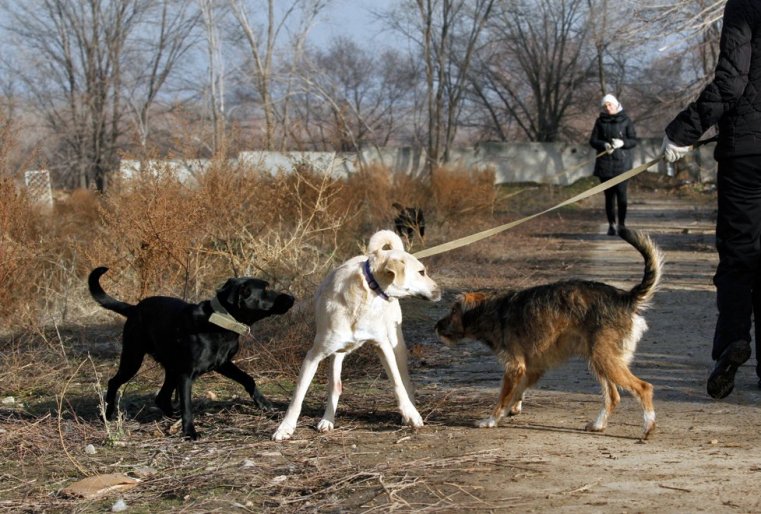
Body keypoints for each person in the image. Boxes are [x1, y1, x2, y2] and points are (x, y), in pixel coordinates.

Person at [662, 0, 761, 399]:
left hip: (746, 155)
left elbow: (732, 82)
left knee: (739, 256)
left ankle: (733, 343)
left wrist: (683, 131)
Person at [589, 94, 638, 236]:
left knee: (622, 196)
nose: (608, 108)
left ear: (616, 105)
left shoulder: (626, 120)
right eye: (605, 106)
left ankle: (622, 225)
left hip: (622, 164)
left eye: (610, 105)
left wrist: (622, 143)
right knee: (609, 197)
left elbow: (633, 140)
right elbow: (593, 140)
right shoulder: (600, 121)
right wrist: (603, 144)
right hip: (605, 165)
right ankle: (611, 224)